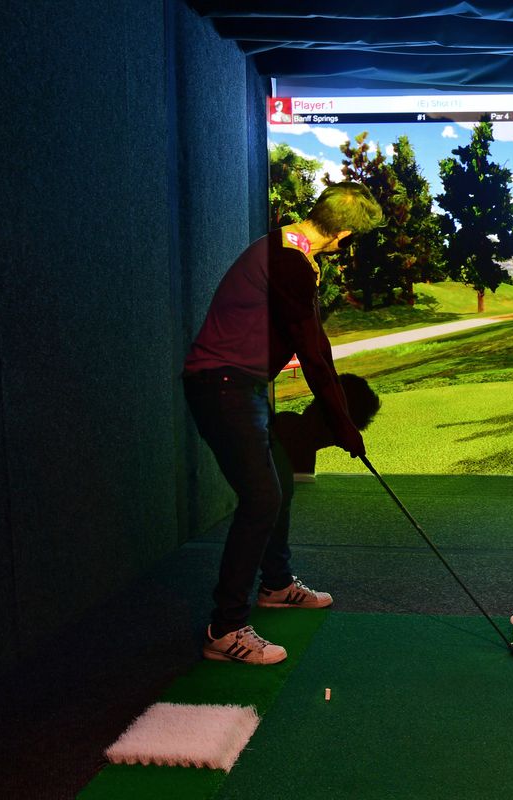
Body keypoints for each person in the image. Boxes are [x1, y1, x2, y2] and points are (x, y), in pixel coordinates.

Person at [182, 182, 383, 665]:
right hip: (223, 386)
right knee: (262, 498)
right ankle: (225, 629)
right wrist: (344, 426)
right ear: (343, 234)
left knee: (280, 484)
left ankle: (275, 586)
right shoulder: (290, 261)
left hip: (240, 386)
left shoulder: (291, 249)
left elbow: (316, 342)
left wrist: (341, 419)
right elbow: (311, 354)